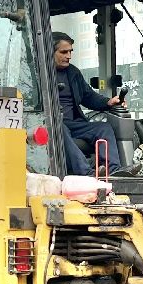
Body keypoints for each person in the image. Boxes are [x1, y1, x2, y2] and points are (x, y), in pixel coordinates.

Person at [52, 32, 124, 177]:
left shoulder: (73, 72)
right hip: (53, 123)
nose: (69, 56)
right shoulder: (39, 74)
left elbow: (88, 96)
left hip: (74, 123)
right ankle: (86, 173)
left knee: (104, 128)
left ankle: (113, 171)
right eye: (63, 52)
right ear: (49, 51)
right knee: (59, 128)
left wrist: (108, 102)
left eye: (70, 51)